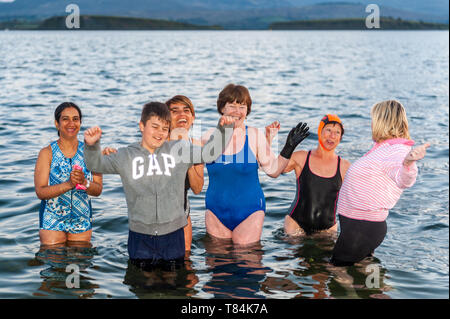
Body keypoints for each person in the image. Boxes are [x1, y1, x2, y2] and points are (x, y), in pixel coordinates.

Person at [83, 102, 236, 271]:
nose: (160, 133)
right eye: (154, 127)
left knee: (173, 283)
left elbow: (209, 153)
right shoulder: (125, 155)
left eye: (164, 128)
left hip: (173, 235)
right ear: (141, 126)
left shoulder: (180, 150)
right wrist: (92, 146)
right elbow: (95, 165)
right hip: (140, 236)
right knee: (143, 284)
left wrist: (224, 130)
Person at [203, 84, 310, 245]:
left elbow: (273, 171)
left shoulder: (254, 136)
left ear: (247, 110)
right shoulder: (207, 137)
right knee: (219, 265)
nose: (237, 111)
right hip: (215, 211)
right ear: (222, 109)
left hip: (249, 211)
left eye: (242, 106)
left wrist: (289, 147)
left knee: (247, 258)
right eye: (232, 106)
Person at [330, 100, 430, 266]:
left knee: (336, 271)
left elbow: (403, 180)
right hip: (359, 227)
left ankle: (364, 291)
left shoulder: (397, 151)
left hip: (362, 227)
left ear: (383, 121)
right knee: (365, 271)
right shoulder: (383, 147)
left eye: (373, 119)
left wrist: (408, 164)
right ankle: (378, 291)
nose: (371, 124)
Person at [268, 114, 351, 236]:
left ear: (340, 137)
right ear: (319, 132)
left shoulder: (345, 166)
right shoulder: (302, 157)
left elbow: (355, 199)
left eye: (337, 132)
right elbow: (274, 169)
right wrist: (288, 147)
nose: (332, 136)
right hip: (295, 225)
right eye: (328, 130)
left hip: (327, 229)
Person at [34, 102, 103, 246]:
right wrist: (69, 184)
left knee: (80, 263)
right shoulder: (47, 153)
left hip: (81, 218)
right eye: (65, 119)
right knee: (54, 263)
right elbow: (40, 192)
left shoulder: (90, 152)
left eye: (75, 119)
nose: (71, 123)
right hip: (52, 219)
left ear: (80, 123)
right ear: (57, 124)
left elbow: (98, 190)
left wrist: (84, 182)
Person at [165, 95, 204, 252]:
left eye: (186, 111)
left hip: (183, 213)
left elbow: (197, 188)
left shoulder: (195, 145)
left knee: (185, 261)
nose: (182, 115)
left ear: (192, 118)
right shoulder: (157, 143)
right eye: (175, 111)